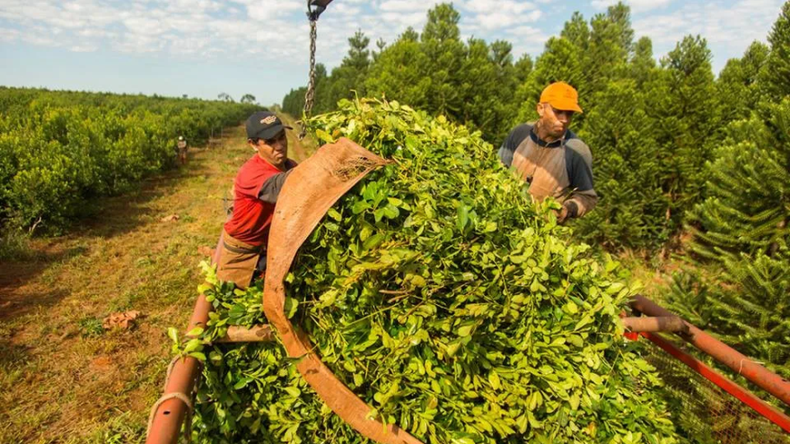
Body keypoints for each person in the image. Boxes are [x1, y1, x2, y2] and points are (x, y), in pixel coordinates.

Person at [216, 111, 297, 288]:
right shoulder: (252, 173)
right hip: (243, 254)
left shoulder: (290, 166)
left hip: (269, 248)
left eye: (281, 137)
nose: (280, 146)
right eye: (270, 142)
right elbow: (287, 186)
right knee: (234, 304)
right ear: (253, 145)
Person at [498, 81, 598, 223]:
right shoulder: (519, 134)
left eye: (569, 114)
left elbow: (588, 197)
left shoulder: (577, 151)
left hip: (540, 233)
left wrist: (568, 209)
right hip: (503, 222)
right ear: (540, 109)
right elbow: (497, 170)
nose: (564, 119)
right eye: (558, 111)